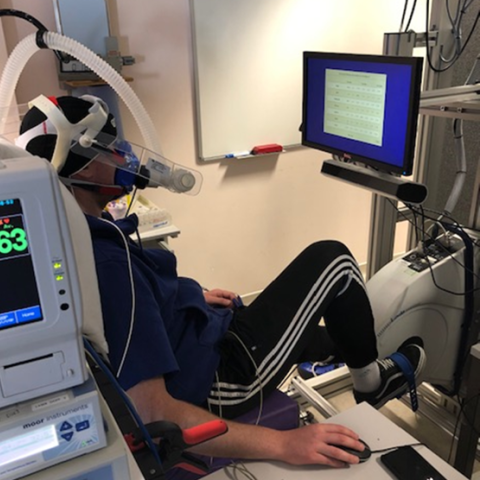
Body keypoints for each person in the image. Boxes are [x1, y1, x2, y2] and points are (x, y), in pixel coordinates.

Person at [16, 95, 425, 475]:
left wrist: (190, 297)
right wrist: (285, 444)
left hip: (202, 341)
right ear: (85, 166)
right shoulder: (108, 263)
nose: (123, 155)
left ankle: (369, 358)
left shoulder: (71, 232)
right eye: (111, 147)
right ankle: (372, 384)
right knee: (333, 261)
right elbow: (154, 409)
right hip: (223, 380)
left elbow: (134, 312)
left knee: (323, 336)